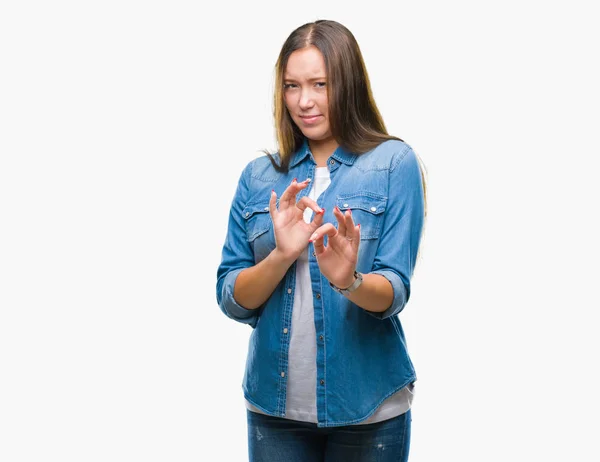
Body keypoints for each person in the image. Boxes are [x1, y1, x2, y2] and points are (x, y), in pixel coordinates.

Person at [216, 19, 427, 462]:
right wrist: (282, 254)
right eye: (292, 85)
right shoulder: (259, 177)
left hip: (368, 408)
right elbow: (232, 298)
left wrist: (349, 280)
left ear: (347, 85)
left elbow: (394, 291)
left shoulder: (393, 164)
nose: (304, 101)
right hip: (274, 409)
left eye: (320, 84)